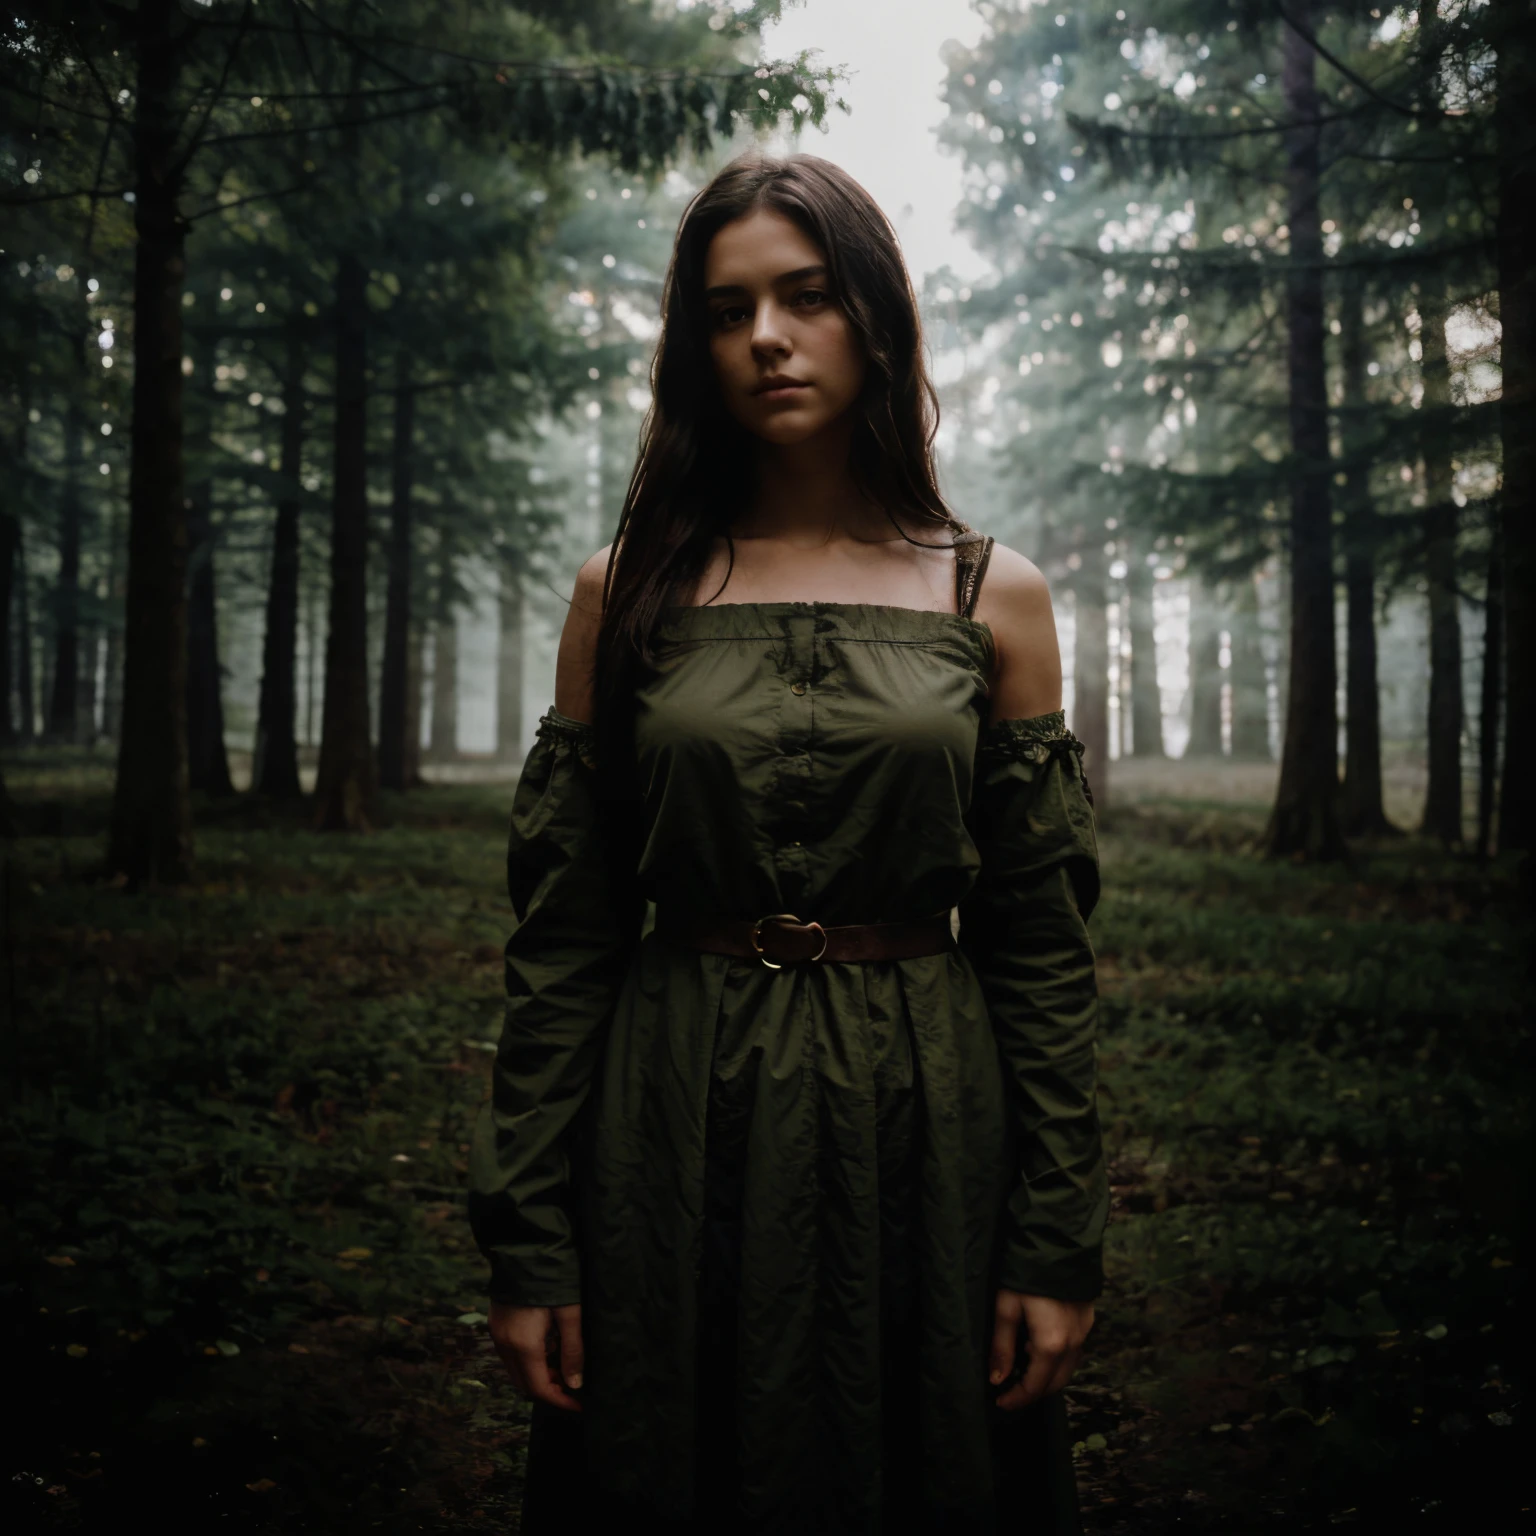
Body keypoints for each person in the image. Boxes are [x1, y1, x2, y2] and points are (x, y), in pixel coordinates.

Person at [468, 152, 1107, 1535]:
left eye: (807, 296)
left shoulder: (994, 595)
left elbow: (1042, 948)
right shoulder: (624, 590)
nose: (767, 337)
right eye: (727, 308)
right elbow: (565, 935)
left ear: (875, 313)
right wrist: (529, 1239)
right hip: (671, 1114)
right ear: (693, 345)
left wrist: (1056, 1236)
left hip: (927, 1118)